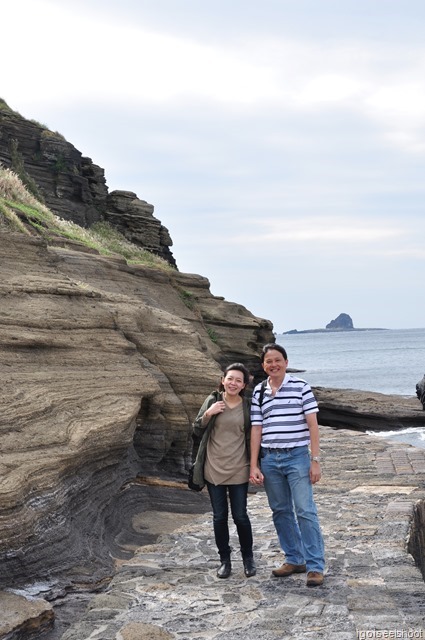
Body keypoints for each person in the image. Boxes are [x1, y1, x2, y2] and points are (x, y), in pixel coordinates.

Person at [249, 343, 325, 587]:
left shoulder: (301, 387)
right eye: (269, 361)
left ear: (286, 362)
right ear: (263, 366)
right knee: (281, 511)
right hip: (270, 459)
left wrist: (315, 460)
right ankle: (294, 559)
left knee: (305, 510)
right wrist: (254, 465)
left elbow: (313, 425)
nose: (273, 364)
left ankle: (315, 566)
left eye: (277, 360)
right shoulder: (259, 391)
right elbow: (256, 429)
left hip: (297, 457)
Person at [191, 363, 256, 579]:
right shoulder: (213, 401)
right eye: (230, 379)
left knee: (240, 517)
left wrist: (255, 465)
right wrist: (209, 413)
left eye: (238, 380)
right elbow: (196, 428)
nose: (233, 383)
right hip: (213, 468)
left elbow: (254, 435)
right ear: (223, 380)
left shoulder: (248, 405)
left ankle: (248, 558)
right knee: (219, 517)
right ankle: (224, 561)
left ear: (244, 384)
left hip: (239, 467)